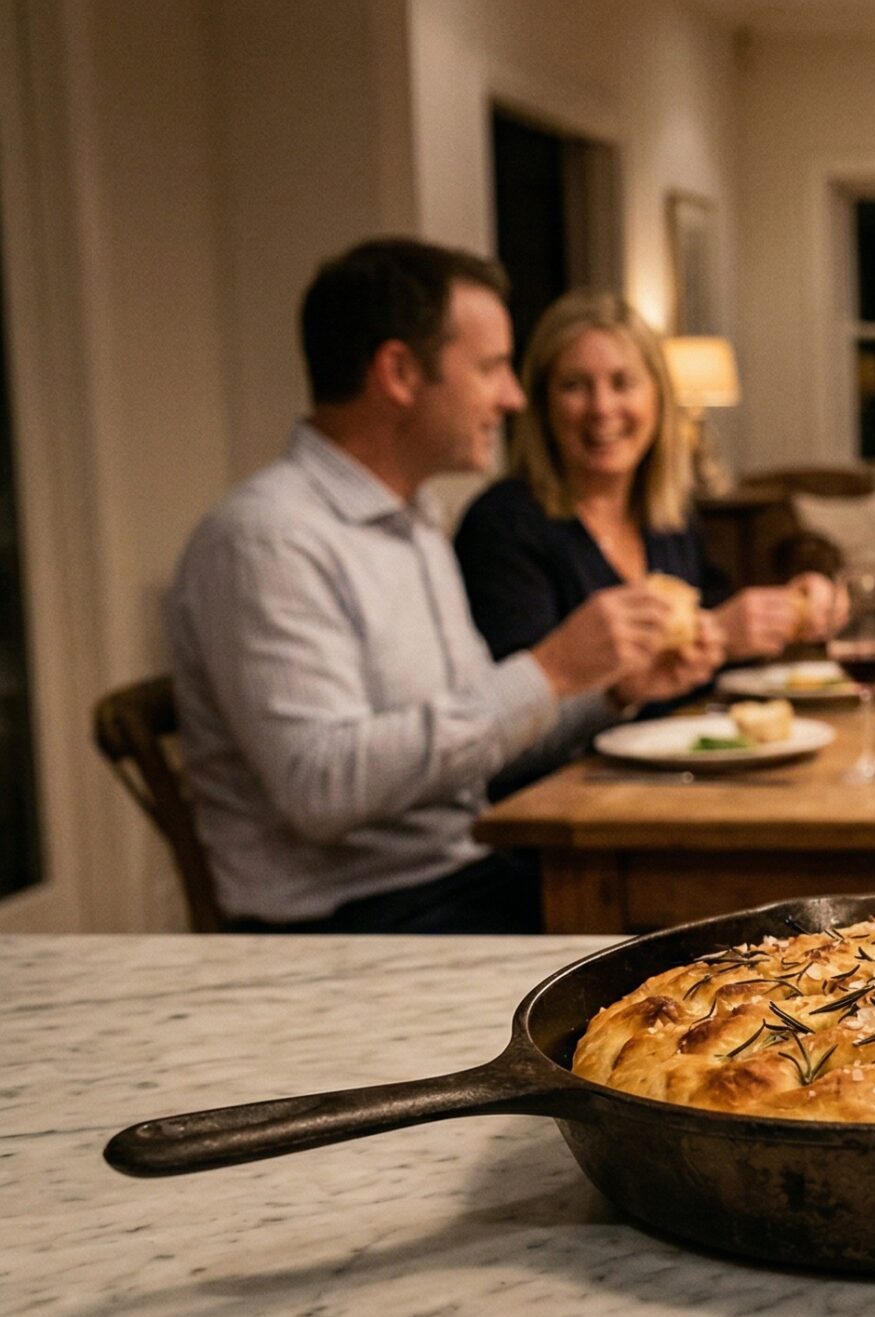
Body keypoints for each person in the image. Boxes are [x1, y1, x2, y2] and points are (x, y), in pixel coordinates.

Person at [166, 239, 717, 934]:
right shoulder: (267, 538)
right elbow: (319, 787)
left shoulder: (415, 520)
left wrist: (613, 690)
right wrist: (548, 669)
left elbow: (481, 745)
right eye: (490, 368)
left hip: (464, 875)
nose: (514, 396)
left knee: (721, 932)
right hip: (352, 927)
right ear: (398, 371)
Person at [453, 290, 842, 784]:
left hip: (678, 787)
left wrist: (790, 612)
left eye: (623, 383)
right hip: (566, 809)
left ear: (658, 397)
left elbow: (720, 651)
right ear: (541, 405)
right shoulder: (503, 525)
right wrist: (712, 637)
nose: (602, 408)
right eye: (575, 386)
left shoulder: (668, 518)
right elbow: (510, 734)